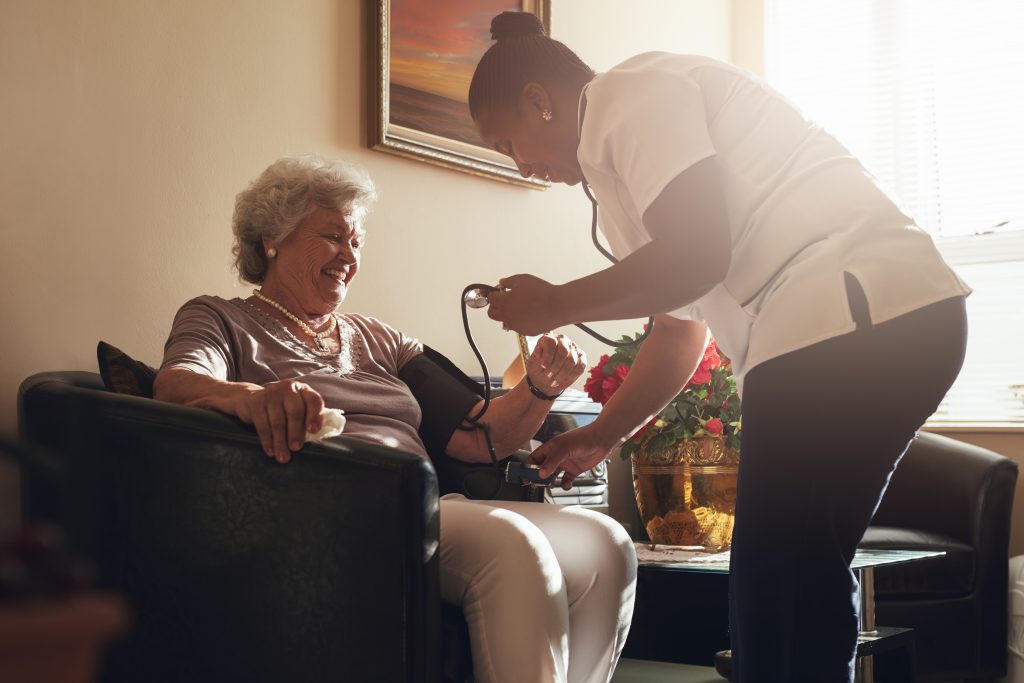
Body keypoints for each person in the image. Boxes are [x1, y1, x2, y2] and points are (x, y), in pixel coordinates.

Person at [468, 11, 970, 683]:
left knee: (774, 586)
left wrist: (556, 300)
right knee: (799, 577)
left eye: (509, 144)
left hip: (850, 310)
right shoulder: (620, 178)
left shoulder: (630, 95)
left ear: (540, 100)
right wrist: (601, 436)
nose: (523, 166)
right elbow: (681, 331)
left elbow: (700, 254)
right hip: (890, 318)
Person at [152, 155, 637, 683]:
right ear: (272, 237)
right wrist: (254, 397)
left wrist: (540, 387)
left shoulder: (382, 339)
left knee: (605, 544)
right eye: (334, 235)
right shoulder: (221, 317)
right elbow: (175, 384)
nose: (349, 255)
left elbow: (481, 438)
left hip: (421, 503)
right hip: (323, 510)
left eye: (356, 242)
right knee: (512, 544)